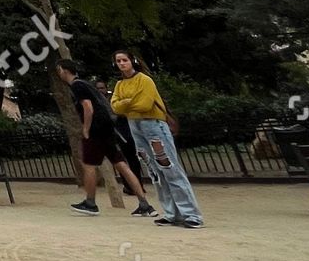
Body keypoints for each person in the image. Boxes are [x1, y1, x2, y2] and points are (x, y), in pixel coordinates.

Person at [109, 50, 204, 229]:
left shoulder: (144, 80)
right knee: (154, 171)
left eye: (124, 60)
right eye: (118, 61)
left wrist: (126, 103)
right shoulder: (120, 84)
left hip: (153, 124)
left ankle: (191, 214)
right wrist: (129, 103)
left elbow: (144, 104)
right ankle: (171, 213)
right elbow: (115, 107)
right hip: (135, 126)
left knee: (169, 167)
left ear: (132, 61)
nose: (122, 64)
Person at [56, 60, 156, 217]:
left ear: (63, 70)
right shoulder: (85, 84)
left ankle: (90, 203)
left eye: (59, 70)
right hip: (108, 127)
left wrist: (86, 129)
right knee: (121, 164)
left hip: (96, 129)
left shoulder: (77, 86)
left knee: (88, 164)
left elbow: (88, 107)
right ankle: (144, 204)